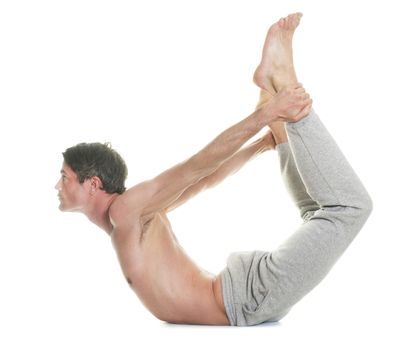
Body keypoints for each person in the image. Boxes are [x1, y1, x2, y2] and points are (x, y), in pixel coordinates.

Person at [55, 13, 372, 326]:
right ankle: (276, 107)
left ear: (93, 184)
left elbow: (199, 165)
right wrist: (260, 145)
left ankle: (284, 87)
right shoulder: (137, 217)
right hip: (247, 296)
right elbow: (205, 180)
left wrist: (265, 117)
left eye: (64, 176)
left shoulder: (125, 211)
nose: (57, 185)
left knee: (350, 208)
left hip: (247, 298)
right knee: (317, 214)